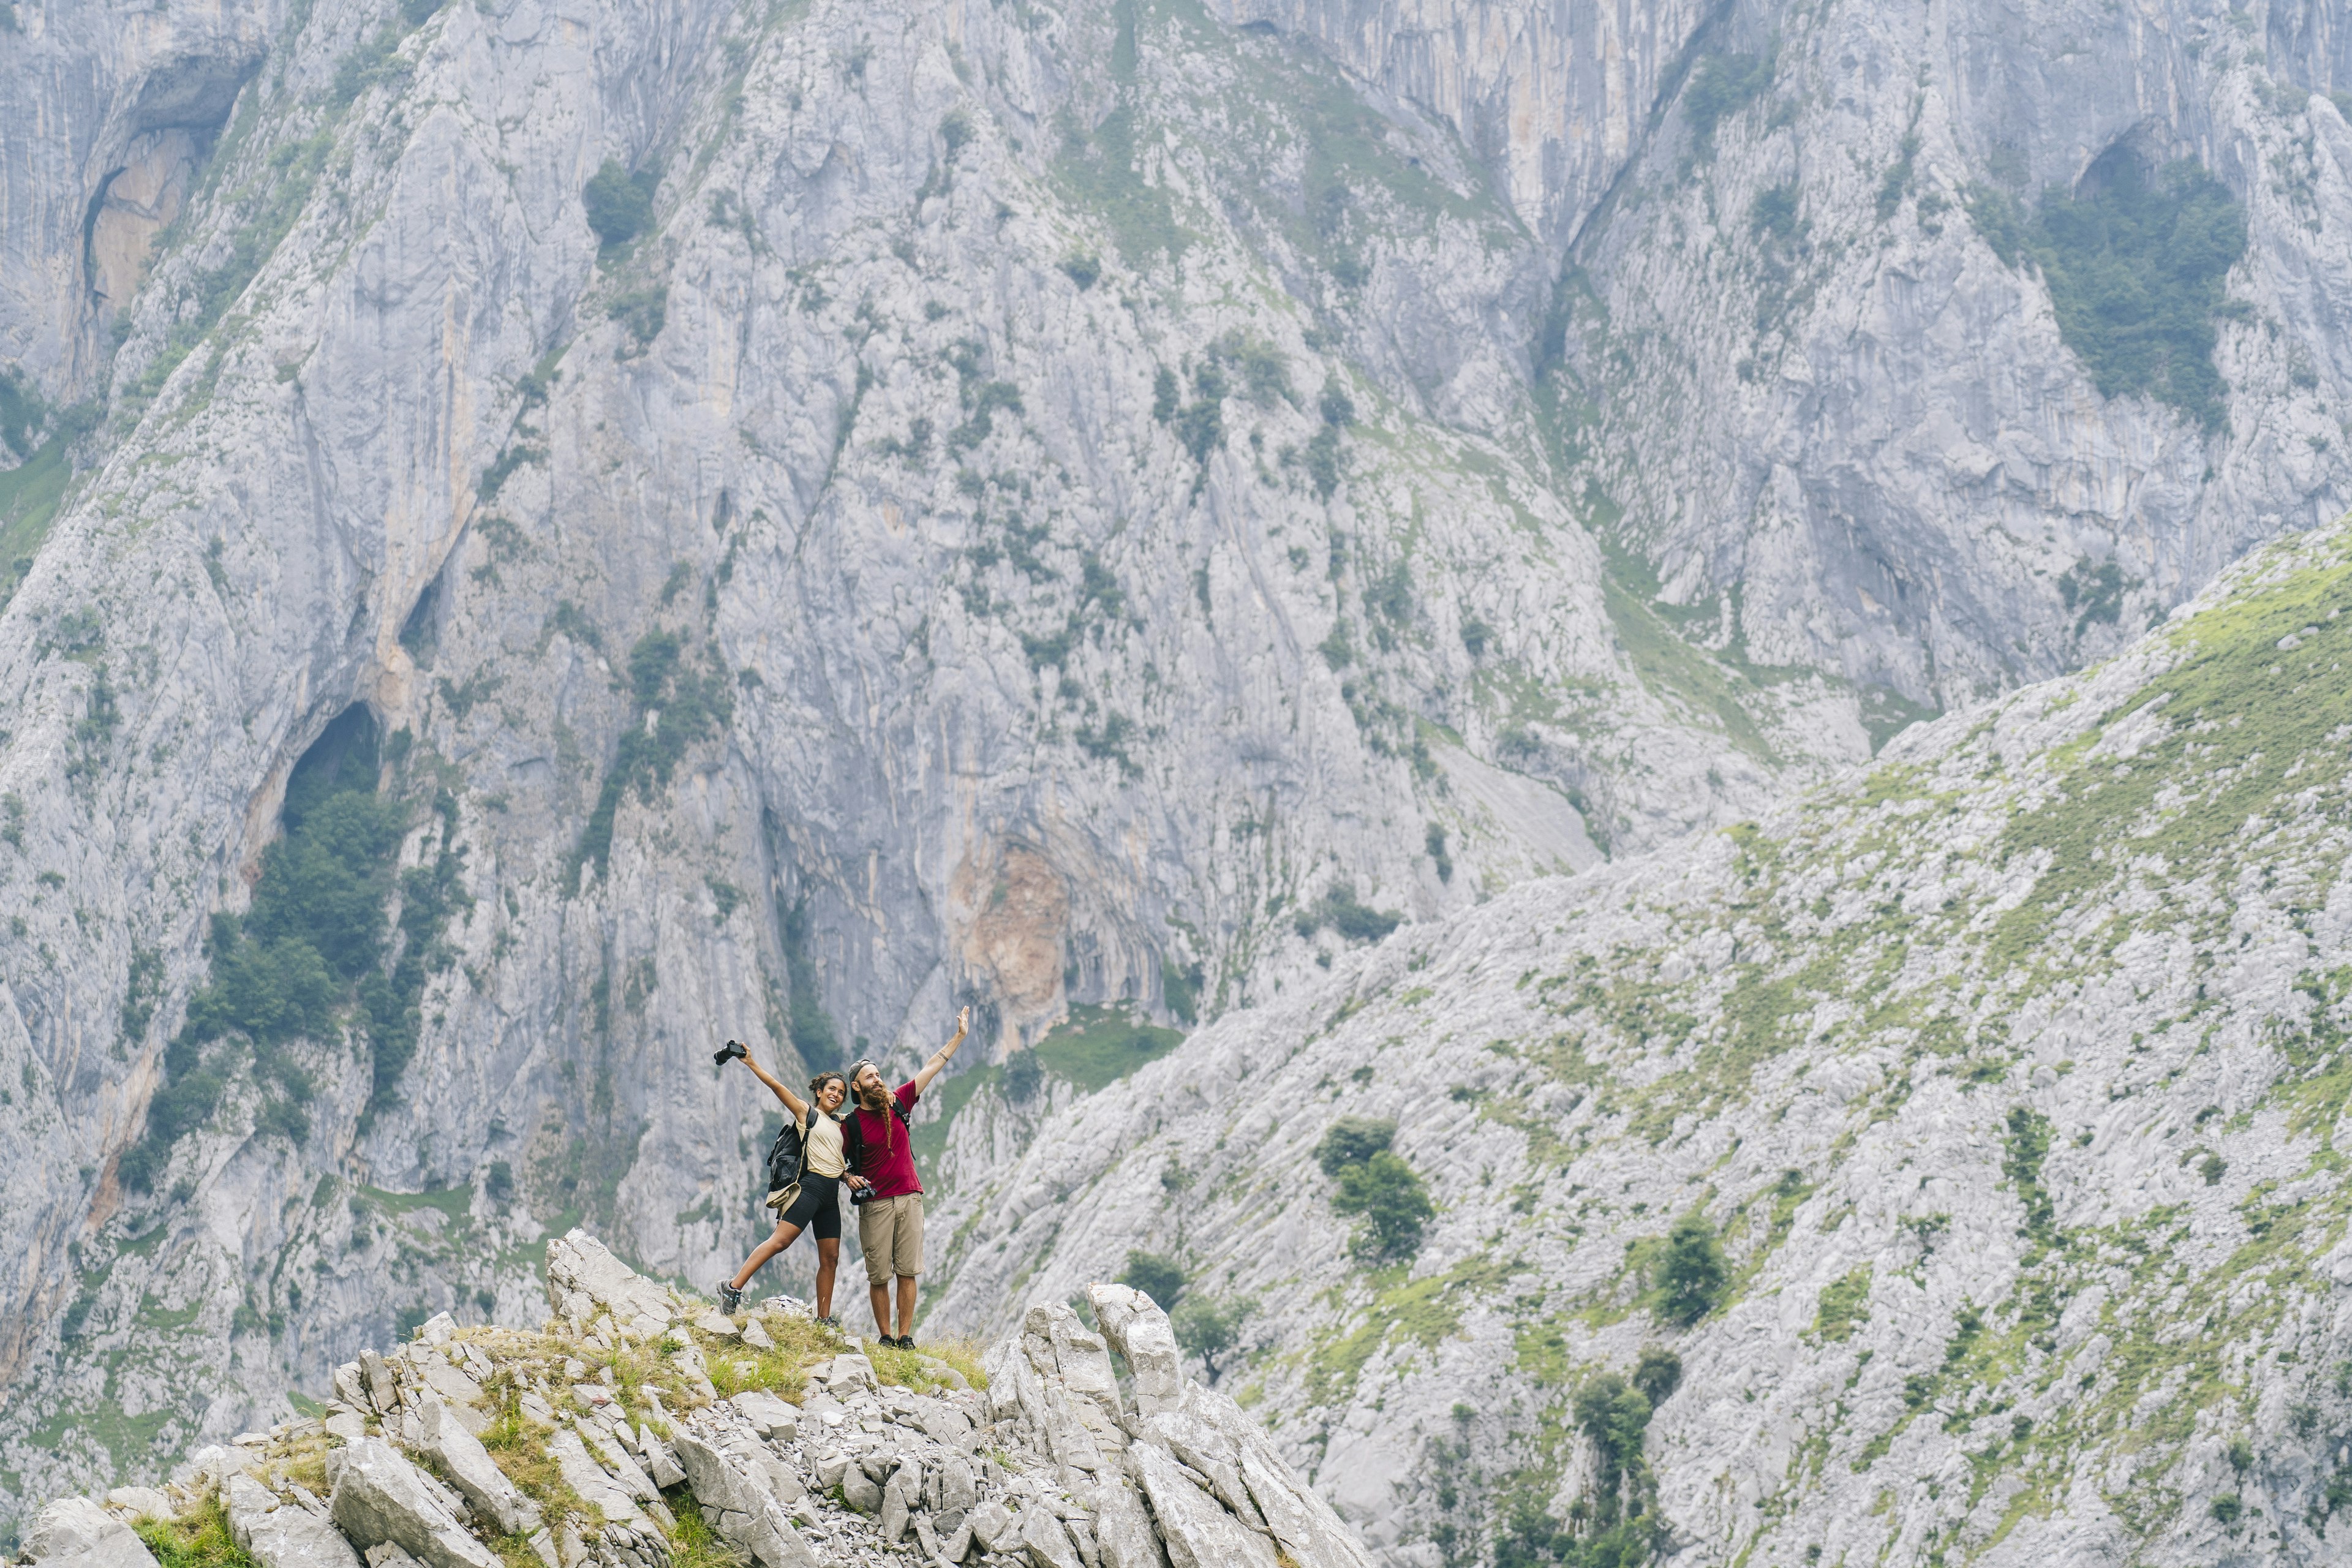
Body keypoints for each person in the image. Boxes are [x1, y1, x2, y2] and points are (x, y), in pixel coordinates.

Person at [840, 1006, 968, 1348]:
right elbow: (834, 1159)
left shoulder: (899, 1102)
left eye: (879, 1074)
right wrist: (847, 1176)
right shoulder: (851, 1123)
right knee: (879, 1274)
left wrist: (958, 1037)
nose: (878, 1080)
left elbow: (932, 1066)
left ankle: (905, 1336)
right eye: (871, 1077)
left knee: (908, 1271)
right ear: (857, 1086)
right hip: (876, 1204)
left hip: (910, 1197)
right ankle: (885, 1337)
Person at [715, 1056, 850, 1325]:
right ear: (819, 1092)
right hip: (810, 1188)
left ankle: (824, 1319)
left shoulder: (841, 1123)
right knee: (781, 1241)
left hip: (831, 1196)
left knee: (831, 1258)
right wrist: (751, 1062)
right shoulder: (806, 1113)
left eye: (842, 1093)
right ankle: (732, 1288)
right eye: (832, 1089)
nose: (837, 1094)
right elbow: (776, 1086)